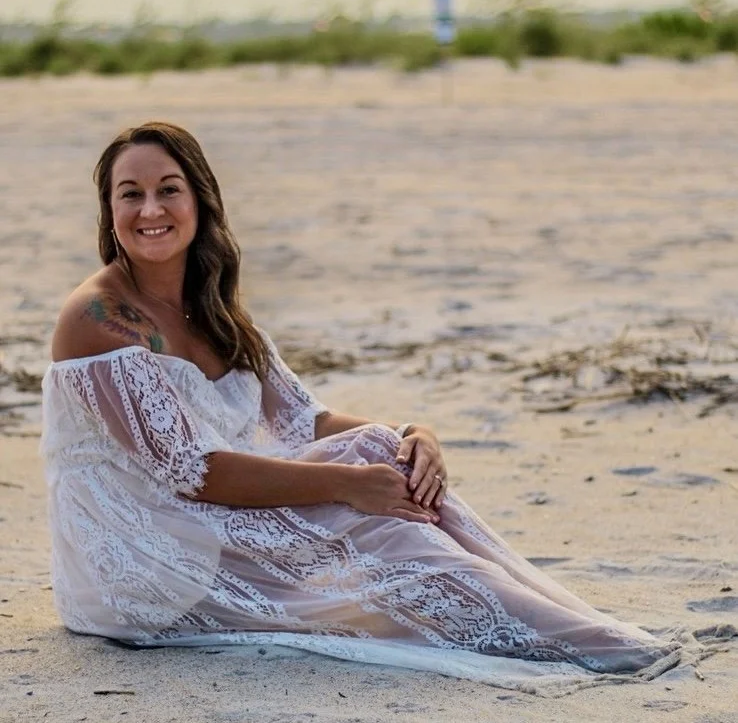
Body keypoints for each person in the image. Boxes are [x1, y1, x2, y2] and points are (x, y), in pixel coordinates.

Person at [41, 121, 696, 697]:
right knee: (372, 497)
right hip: (141, 559)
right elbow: (196, 473)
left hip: (201, 526)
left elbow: (311, 422)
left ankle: (548, 623)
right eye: (131, 193)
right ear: (109, 211)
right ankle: (572, 637)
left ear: (200, 202)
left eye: (168, 188)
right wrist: (351, 486)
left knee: (386, 451)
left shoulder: (212, 312)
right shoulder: (98, 319)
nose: (150, 208)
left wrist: (419, 435)